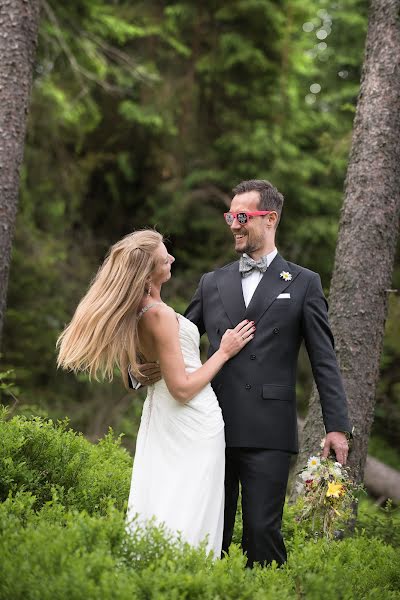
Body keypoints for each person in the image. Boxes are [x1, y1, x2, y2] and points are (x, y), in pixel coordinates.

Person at [134, 179, 352, 567]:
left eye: (241, 216)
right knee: (209, 530)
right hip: (209, 428)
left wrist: (337, 426)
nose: (233, 224)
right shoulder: (212, 282)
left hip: (269, 429)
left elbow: (324, 360)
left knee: (262, 532)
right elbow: (174, 337)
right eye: (229, 216)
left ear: (269, 219)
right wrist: (135, 370)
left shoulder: (304, 283)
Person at [56, 229, 255, 556]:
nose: (172, 258)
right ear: (149, 272)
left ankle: (158, 571)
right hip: (191, 420)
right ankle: (186, 574)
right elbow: (182, 388)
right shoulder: (158, 315)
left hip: (163, 417)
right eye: (165, 257)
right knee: (190, 501)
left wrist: (144, 370)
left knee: (167, 495)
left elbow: (137, 371)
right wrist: (225, 350)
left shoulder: (139, 313)